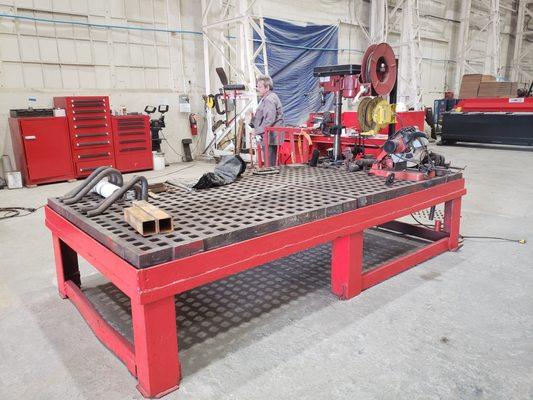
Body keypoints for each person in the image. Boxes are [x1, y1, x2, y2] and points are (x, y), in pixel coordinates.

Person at [252, 74, 284, 166]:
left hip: (270, 135)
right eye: (257, 86)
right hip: (270, 135)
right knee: (271, 161)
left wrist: (257, 131)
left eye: (260, 87)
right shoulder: (269, 97)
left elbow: (269, 120)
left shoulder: (269, 99)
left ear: (267, 87)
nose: (258, 88)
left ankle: (271, 177)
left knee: (269, 163)